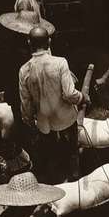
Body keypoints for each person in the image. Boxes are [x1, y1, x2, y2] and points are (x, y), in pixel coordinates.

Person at [18, 26, 85, 185]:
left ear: (29, 43)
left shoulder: (23, 70)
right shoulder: (60, 63)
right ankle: (75, 189)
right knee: (72, 159)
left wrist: (29, 121)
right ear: (49, 41)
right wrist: (82, 97)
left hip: (44, 125)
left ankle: (55, 195)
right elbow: (69, 94)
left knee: (52, 163)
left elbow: (25, 103)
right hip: (66, 121)